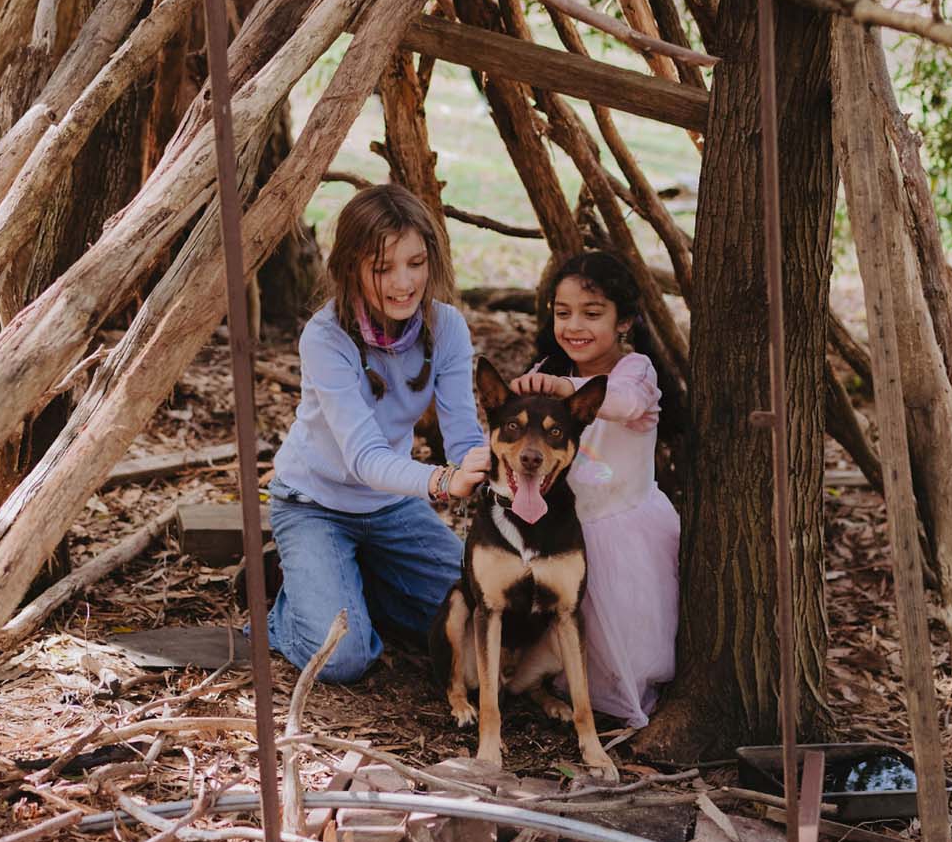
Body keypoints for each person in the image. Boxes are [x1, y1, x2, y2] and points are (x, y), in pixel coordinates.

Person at [266, 185, 491, 684]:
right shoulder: (326, 338)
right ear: (350, 267)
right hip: (314, 502)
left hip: (391, 506)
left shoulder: (447, 327)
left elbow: (462, 434)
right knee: (343, 659)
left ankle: (357, 582)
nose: (403, 282)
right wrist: (441, 482)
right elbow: (364, 458)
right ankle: (287, 611)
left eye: (415, 262)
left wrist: (483, 465)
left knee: (477, 611)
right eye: (382, 267)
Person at [511, 251, 680, 728]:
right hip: (563, 525)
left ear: (624, 320)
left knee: (620, 634)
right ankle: (537, 683)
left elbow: (622, 404)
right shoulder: (551, 367)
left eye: (592, 313)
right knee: (556, 621)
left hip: (622, 530)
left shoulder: (636, 370)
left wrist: (567, 390)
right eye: (563, 313)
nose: (574, 326)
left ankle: (599, 694)